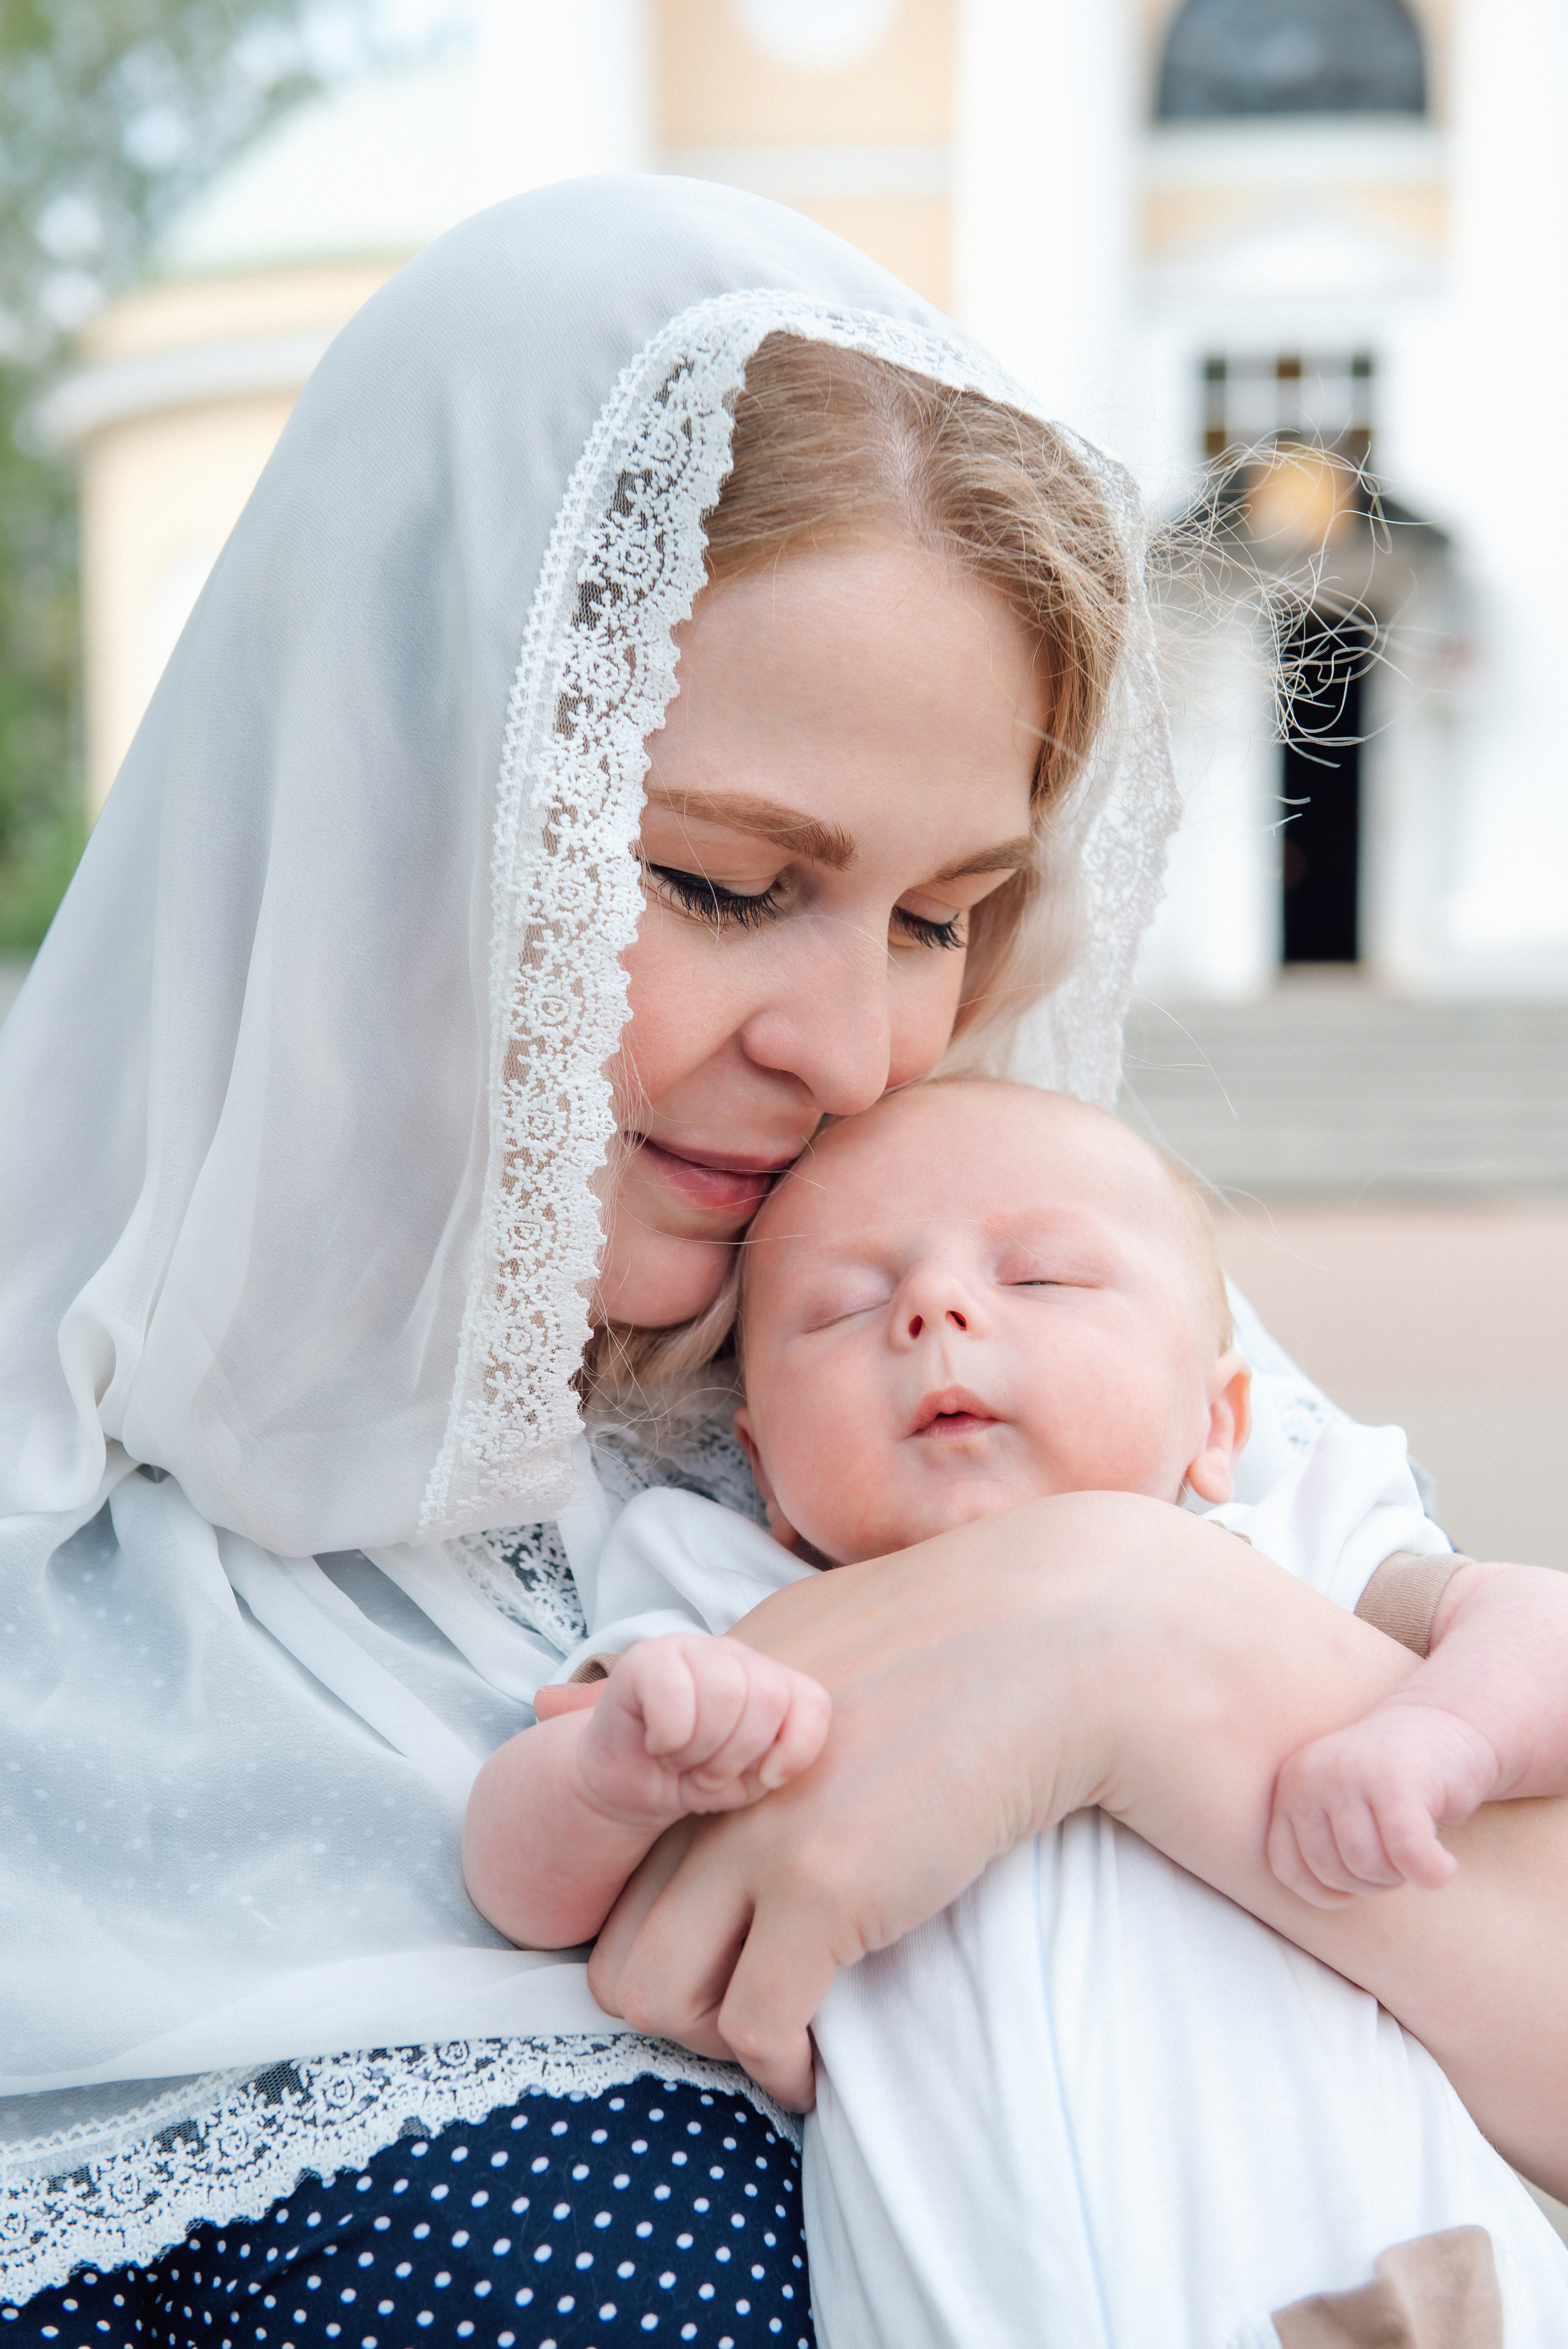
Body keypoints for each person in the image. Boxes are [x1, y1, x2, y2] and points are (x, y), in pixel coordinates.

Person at [2, 180, 1566, 2347]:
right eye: (734, 885)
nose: (858, 1054)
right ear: (392, 793)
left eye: (942, 919)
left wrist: (1125, 1640)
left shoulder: (996, 1351)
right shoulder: (63, 1600)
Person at [462, 1077, 1568, 2345]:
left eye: (1038, 1279)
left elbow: (1535, 1623)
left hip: (1372, 2297)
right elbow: (517, 1880)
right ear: (763, 1473)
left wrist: (1444, 1736)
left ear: (1219, 1420)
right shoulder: (735, 1619)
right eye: (842, 1305)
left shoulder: (1282, 1549)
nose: (935, 1310)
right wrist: (607, 1773)